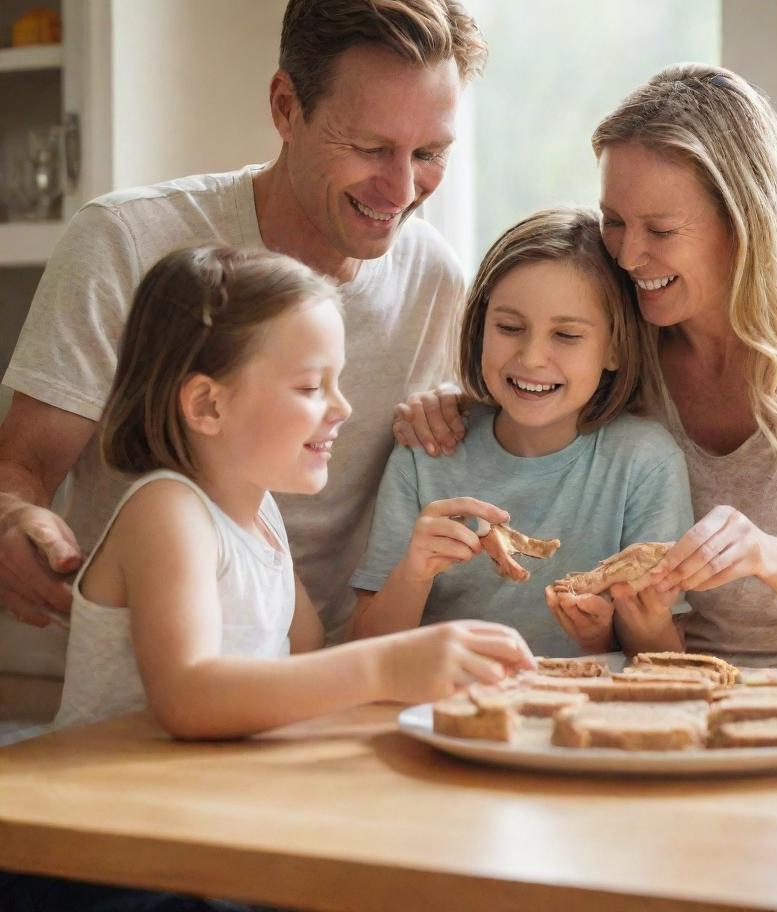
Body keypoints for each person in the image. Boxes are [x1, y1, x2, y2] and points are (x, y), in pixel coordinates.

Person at [396, 64, 777, 691]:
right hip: (694, 688)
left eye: (661, 230)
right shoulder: (626, 333)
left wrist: (769, 556)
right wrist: (461, 402)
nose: (629, 255)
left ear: (742, 222)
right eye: (614, 220)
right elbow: (534, 375)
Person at [0, 0, 483, 679]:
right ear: (286, 107)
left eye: (431, 153)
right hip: (87, 689)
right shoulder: (127, 240)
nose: (401, 187)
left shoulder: (437, 281)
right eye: (372, 147)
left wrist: (461, 412)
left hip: (301, 686)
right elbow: (21, 464)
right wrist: (13, 520)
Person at [54, 245, 532, 737]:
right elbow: (187, 697)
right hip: (105, 800)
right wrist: (386, 666)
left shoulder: (260, 513)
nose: (342, 407)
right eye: (310, 388)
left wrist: (417, 600)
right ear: (208, 406)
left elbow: (309, 662)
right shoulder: (167, 513)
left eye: (337, 382)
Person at [349, 207, 694, 657]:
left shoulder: (645, 463)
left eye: (567, 335)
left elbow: (667, 662)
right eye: (510, 328)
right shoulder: (427, 452)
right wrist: (414, 572)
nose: (531, 358)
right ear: (480, 329)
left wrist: (598, 637)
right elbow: (365, 651)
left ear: (613, 348)